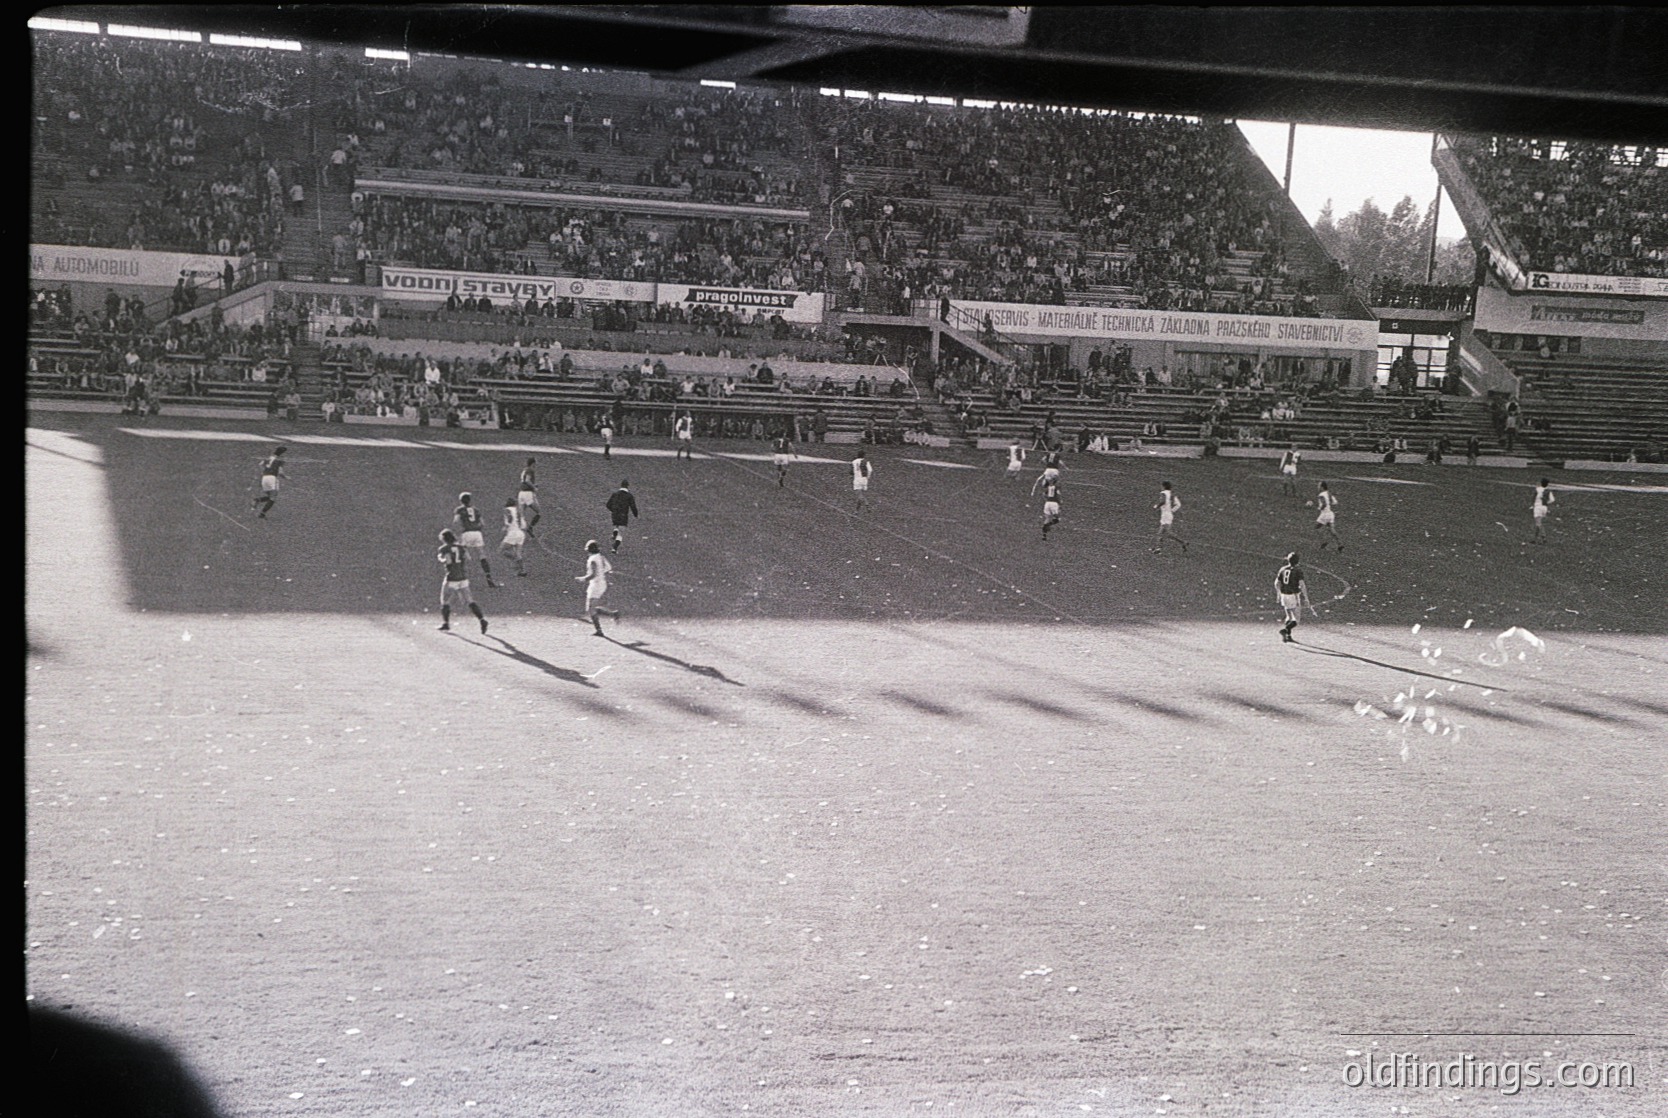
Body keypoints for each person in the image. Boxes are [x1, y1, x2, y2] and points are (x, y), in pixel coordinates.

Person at [436, 529, 488, 634]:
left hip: (452, 577)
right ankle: (482, 619)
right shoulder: (461, 548)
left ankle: (446, 623)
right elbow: (468, 558)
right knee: (470, 600)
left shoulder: (444, 548)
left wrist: (440, 558)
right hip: (463, 577)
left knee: (444, 600)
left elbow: (448, 561)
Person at [452, 492, 501, 587]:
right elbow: (482, 523)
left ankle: (459, 579)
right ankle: (489, 578)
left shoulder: (459, 510)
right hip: (477, 533)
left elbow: (455, 522)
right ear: (470, 500)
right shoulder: (476, 509)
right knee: (482, 555)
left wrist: (459, 532)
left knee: (462, 555)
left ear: (461, 501)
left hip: (466, 533)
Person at [577, 540, 620, 636]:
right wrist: (601, 572)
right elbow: (608, 567)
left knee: (590, 609)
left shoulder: (592, 560)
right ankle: (612, 614)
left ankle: (600, 629)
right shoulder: (601, 557)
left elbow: (593, 574)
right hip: (602, 584)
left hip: (595, 585)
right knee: (592, 608)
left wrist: (583, 579)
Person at [1275, 551, 1313, 643]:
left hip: (1284, 595)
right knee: (1297, 619)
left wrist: (1278, 594)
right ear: (1298, 561)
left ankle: (1288, 635)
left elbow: (1277, 583)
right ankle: (1285, 630)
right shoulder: (1297, 571)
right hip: (1293, 595)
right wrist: (1306, 598)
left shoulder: (1282, 569)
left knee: (1288, 616)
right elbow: (1302, 585)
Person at [1153, 481, 1188, 553]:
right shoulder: (1172, 494)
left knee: (1168, 533)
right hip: (1169, 515)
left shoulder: (1163, 493)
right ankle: (1158, 548)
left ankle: (1183, 542)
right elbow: (1178, 504)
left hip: (1165, 515)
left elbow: (1163, 502)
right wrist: (1172, 510)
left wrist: (1157, 506)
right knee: (1160, 532)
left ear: (1163, 486)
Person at [252, 446, 286, 519]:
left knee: (270, 496)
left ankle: (258, 500)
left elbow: (260, 464)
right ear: (282, 454)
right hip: (272, 478)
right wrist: (286, 477)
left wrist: (265, 470)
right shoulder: (280, 460)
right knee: (273, 498)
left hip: (264, 477)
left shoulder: (268, 458)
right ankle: (262, 513)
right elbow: (280, 473)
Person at [605, 479, 638, 554]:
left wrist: (613, 510)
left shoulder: (615, 494)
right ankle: (614, 548)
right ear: (627, 486)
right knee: (621, 533)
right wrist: (636, 514)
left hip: (615, 514)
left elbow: (608, 505)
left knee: (617, 524)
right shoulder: (629, 496)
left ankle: (615, 530)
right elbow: (633, 507)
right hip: (623, 515)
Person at [499, 497, 528, 577]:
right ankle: (522, 571)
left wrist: (506, 526)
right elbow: (524, 525)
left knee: (502, 550)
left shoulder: (507, 510)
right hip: (521, 533)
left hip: (513, 533)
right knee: (518, 553)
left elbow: (509, 518)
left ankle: (515, 561)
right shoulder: (518, 511)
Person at [1314, 482, 1343, 551]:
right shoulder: (1329, 493)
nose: (1318, 487)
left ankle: (1324, 540)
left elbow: (1324, 504)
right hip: (1330, 514)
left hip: (1325, 514)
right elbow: (1335, 502)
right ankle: (1340, 544)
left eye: (1319, 486)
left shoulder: (1321, 495)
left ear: (1322, 487)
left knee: (1317, 527)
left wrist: (1320, 508)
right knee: (1332, 530)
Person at [517, 458, 541, 533]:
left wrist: (534, 485)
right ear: (533, 463)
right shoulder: (530, 470)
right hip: (527, 494)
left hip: (521, 493)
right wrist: (534, 487)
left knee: (521, 515)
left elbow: (524, 481)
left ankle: (518, 531)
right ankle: (530, 528)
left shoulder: (524, 470)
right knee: (538, 511)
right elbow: (527, 480)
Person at [1531, 477, 1556, 543]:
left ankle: (1543, 537)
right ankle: (1535, 539)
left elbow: (1534, 497)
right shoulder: (1548, 491)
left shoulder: (1537, 489)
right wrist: (1547, 502)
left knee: (1538, 523)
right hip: (1544, 507)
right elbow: (1552, 500)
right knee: (1539, 523)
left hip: (1538, 507)